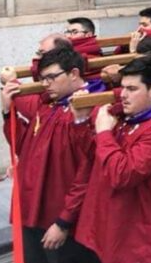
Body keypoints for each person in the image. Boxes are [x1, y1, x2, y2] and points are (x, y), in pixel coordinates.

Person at [73, 57, 151, 263]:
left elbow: (122, 175)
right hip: (123, 221)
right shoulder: (131, 115)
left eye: (132, 89)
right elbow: (94, 157)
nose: (123, 95)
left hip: (145, 231)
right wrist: (82, 120)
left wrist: (104, 133)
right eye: (123, 87)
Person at [1, 48, 98, 263]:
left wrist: (64, 222)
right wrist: (8, 113)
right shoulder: (49, 105)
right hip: (32, 210)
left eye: (51, 77)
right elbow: (24, 148)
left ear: (74, 73)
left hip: (62, 218)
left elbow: (88, 171)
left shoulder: (90, 109)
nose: (45, 84)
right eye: (43, 79)